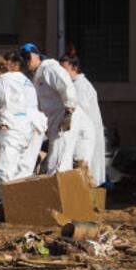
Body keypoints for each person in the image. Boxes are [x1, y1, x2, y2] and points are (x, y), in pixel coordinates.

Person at [0, 52, 47, 204]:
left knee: (5, 167)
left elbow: (2, 101)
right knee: (23, 169)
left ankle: (4, 205)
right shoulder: (26, 80)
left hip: (13, 125)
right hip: (32, 127)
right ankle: (18, 204)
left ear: (13, 63)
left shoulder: (6, 79)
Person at [20, 43, 82, 174]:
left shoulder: (49, 68)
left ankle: (59, 192)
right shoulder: (37, 75)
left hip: (64, 119)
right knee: (54, 160)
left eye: (28, 57)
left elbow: (66, 85)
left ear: (36, 55)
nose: (26, 61)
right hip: (54, 123)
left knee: (59, 162)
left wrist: (69, 112)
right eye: (23, 59)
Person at [61, 54, 106, 186]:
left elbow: (79, 111)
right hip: (80, 134)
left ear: (74, 68)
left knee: (83, 168)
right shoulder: (73, 85)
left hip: (84, 135)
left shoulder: (81, 86)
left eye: (65, 69)